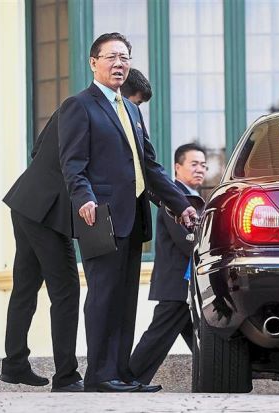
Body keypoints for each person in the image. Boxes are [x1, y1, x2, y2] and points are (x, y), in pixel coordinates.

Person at [58, 32, 197, 393]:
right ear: (94, 63)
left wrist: (180, 204)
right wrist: (83, 198)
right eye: (111, 57)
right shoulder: (79, 106)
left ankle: (122, 374)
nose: (119, 64)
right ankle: (100, 375)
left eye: (125, 58)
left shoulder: (132, 109)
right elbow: (73, 163)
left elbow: (149, 166)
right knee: (103, 296)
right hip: (99, 216)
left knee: (124, 299)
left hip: (133, 216)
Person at [0, 111, 84, 392]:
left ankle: (14, 364)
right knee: (66, 291)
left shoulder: (69, 108)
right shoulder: (96, 110)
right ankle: (66, 376)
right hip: (49, 210)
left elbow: (37, 150)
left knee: (24, 288)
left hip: (26, 200)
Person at [130, 143, 207, 385]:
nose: (200, 169)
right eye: (194, 164)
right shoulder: (175, 197)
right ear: (177, 167)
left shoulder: (193, 198)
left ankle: (215, 378)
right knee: (158, 337)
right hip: (177, 283)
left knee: (204, 339)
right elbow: (186, 240)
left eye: (203, 165)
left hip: (187, 285)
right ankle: (129, 379)